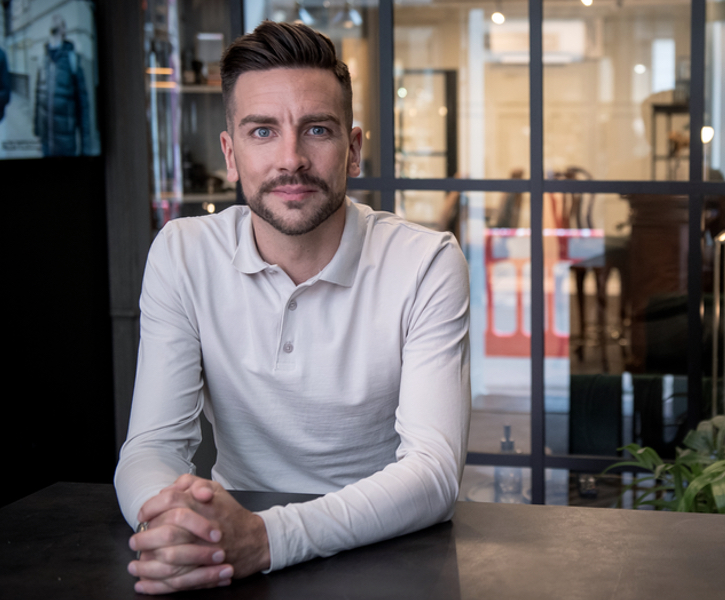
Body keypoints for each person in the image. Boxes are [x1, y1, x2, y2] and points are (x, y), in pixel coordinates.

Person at [114, 20, 471, 595]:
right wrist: (175, 526)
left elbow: (432, 474)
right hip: (229, 548)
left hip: (389, 549)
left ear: (352, 150)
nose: (291, 159)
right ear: (230, 153)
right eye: (262, 131)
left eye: (317, 130)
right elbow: (152, 448)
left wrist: (265, 538)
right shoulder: (182, 254)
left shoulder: (426, 261)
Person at [33, 14, 92, 156]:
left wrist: (86, 148)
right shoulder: (43, 59)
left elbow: (83, 107)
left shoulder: (72, 58)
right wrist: (37, 133)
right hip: (46, 143)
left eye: (59, 21)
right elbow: (38, 98)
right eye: (52, 20)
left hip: (66, 145)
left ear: (64, 29)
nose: (54, 20)